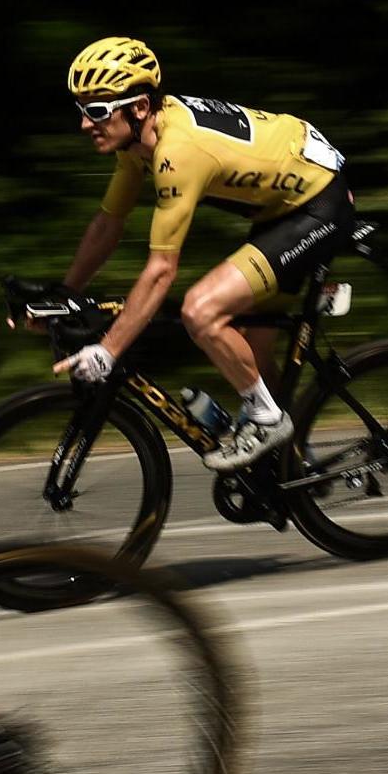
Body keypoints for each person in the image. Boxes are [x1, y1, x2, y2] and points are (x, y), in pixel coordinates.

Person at [53, 36, 353, 472]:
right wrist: (65, 293)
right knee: (252, 350)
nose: (85, 124)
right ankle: (294, 467)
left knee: (201, 309)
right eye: (82, 110)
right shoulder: (138, 143)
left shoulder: (177, 152)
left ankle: (267, 422)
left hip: (319, 203)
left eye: (97, 112)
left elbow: (161, 271)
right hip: (281, 202)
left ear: (139, 108)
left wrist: (107, 350)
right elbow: (107, 225)